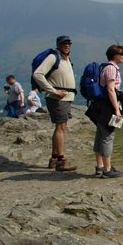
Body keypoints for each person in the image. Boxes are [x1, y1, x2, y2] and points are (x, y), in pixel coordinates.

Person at [32, 35, 77, 171]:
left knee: (60, 127)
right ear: (58, 44)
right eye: (64, 43)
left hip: (65, 97)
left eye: (69, 43)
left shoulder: (66, 59)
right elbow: (38, 74)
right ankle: (61, 161)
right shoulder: (53, 57)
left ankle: (54, 158)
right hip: (58, 99)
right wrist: (53, 91)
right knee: (61, 128)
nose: (67, 45)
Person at [90, 44, 123, 179]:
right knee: (107, 137)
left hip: (100, 106)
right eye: (122, 53)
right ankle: (107, 169)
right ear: (114, 55)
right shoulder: (112, 69)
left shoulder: (105, 67)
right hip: (108, 107)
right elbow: (111, 89)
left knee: (100, 136)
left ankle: (100, 167)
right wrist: (116, 109)